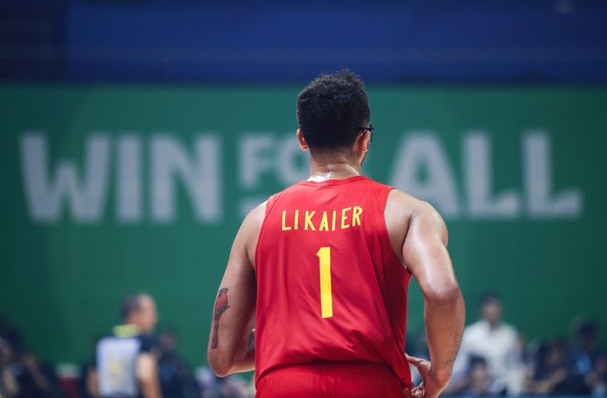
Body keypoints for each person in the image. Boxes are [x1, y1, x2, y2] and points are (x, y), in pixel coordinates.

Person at [206, 70, 465, 398]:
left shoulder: (258, 221)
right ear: (364, 140)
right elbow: (443, 293)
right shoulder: (408, 213)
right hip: (372, 386)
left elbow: (223, 358)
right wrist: (439, 376)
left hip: (283, 388)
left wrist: (286, 344)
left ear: (302, 139)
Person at [448, 292, 523, 395]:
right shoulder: (470, 335)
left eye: (496, 306)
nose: (493, 310)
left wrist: (516, 391)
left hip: (503, 390)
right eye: (489, 306)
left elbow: (515, 366)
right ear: (482, 310)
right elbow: (460, 365)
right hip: (475, 391)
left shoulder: (509, 335)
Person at [96, 293, 162, 398]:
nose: (154, 318)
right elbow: (144, 376)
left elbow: (94, 383)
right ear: (134, 314)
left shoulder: (104, 341)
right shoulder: (145, 341)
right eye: (150, 312)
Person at [567, 319, 607, 395]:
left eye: (590, 335)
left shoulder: (603, 355)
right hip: (579, 395)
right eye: (583, 335)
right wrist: (585, 381)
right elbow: (570, 382)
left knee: (600, 388)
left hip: (602, 393)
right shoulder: (572, 357)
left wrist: (601, 375)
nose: (587, 339)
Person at [157, 328, 198, 398]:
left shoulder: (179, 364)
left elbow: (190, 383)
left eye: (170, 338)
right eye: (165, 338)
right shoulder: (153, 360)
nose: (167, 342)